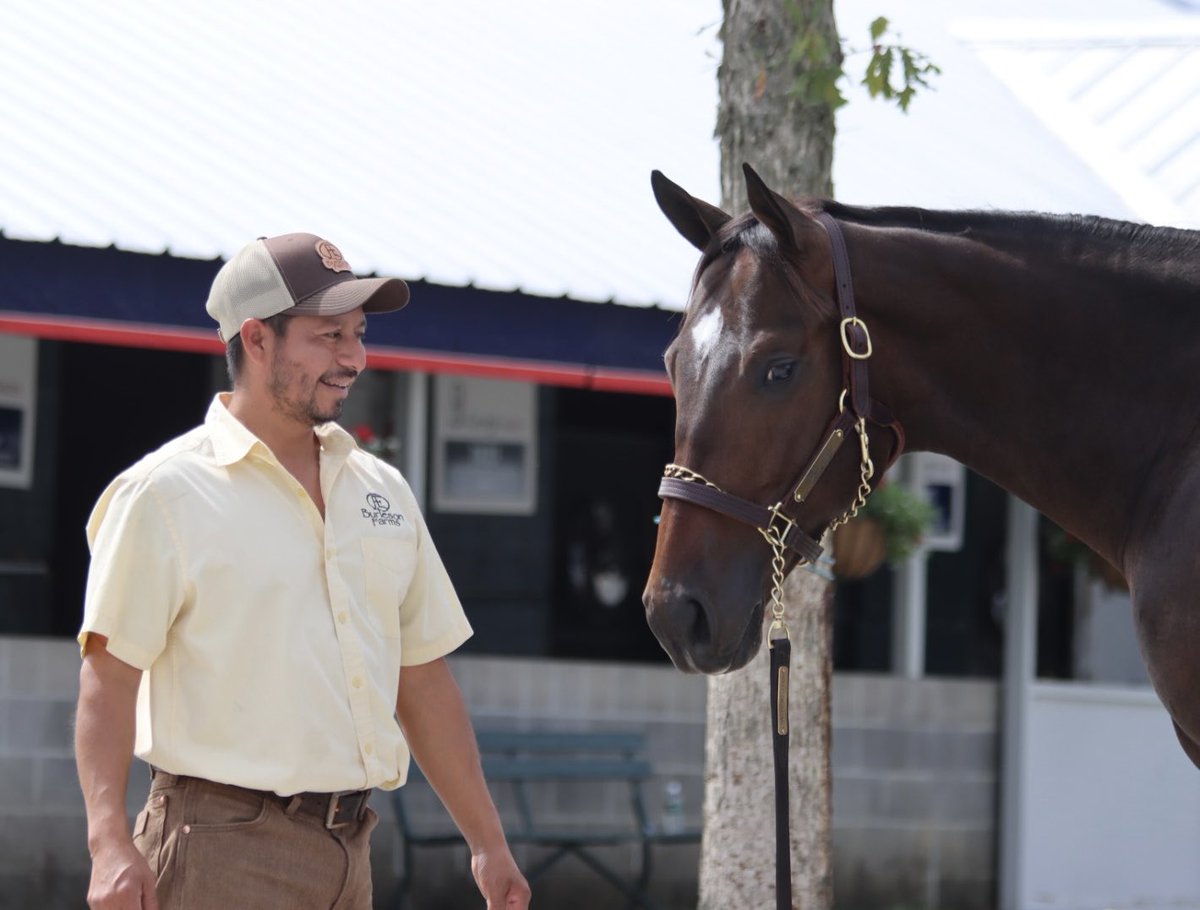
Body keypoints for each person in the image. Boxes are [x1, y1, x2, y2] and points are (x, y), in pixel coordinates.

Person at [74, 232, 531, 910]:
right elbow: (108, 679)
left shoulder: (382, 491)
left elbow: (422, 677)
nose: (354, 358)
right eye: (328, 336)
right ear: (257, 340)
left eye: (358, 333)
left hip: (350, 853)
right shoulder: (163, 494)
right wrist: (109, 842)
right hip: (219, 851)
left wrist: (488, 843)